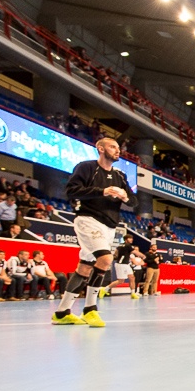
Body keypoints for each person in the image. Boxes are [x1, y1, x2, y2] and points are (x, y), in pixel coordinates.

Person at [52, 137, 137, 327]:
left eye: (118, 147)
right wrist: (103, 191)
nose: (117, 150)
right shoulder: (86, 167)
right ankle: (90, 309)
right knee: (105, 259)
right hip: (88, 219)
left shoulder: (120, 176)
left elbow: (133, 201)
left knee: (84, 267)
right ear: (100, 148)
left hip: (109, 225)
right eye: (113, 147)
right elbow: (72, 191)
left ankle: (61, 312)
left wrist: (125, 196)